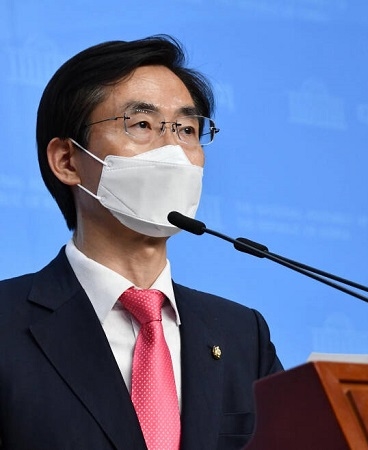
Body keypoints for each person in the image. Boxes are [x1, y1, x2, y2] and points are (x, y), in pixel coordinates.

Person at [0, 35, 283, 450]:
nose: (173, 151)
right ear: (67, 161)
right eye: (142, 125)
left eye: (187, 129)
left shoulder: (243, 334)